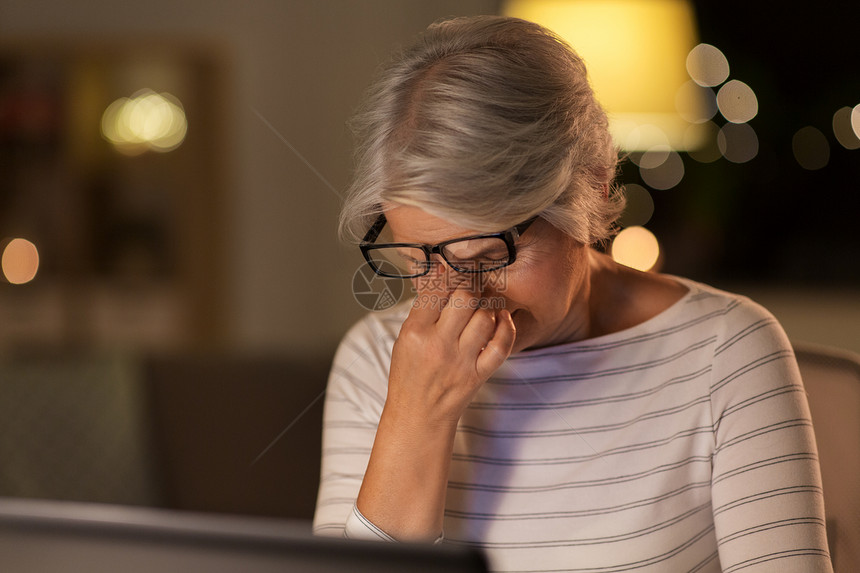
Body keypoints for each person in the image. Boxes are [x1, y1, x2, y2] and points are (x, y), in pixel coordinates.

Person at [312, 15, 832, 573]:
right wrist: (416, 418)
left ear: (592, 189)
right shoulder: (372, 358)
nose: (457, 296)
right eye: (420, 259)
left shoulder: (728, 351)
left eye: (490, 257)